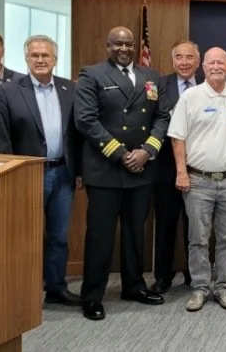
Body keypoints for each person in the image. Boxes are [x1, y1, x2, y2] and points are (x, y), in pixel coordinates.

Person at [74, 26, 172, 321]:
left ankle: (134, 286)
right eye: (117, 43)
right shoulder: (91, 74)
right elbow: (86, 120)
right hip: (105, 169)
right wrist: (121, 154)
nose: (124, 48)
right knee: (101, 236)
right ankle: (92, 295)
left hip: (141, 169)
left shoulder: (152, 77)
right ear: (108, 45)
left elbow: (162, 117)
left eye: (128, 43)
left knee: (135, 234)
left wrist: (147, 151)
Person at [0, 34, 82, 307]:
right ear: (26, 59)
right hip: (27, 176)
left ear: (55, 59)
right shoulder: (7, 91)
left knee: (58, 237)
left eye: (46, 55)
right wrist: (10, 177)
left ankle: (56, 288)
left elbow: (77, 136)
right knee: (24, 236)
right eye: (35, 55)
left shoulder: (70, 89)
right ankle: (22, 291)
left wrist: (79, 171)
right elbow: (1, 140)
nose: (40, 60)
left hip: (63, 174)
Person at [169, 47, 226, 312]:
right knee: (198, 239)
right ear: (203, 67)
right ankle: (200, 288)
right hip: (197, 181)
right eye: (211, 62)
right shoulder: (190, 97)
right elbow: (177, 136)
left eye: (221, 62)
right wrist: (181, 171)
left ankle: (223, 288)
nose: (216, 66)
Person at [151, 40, 203, 294]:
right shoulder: (159, 86)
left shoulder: (208, 86)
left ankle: (195, 275)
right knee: (165, 223)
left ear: (198, 61)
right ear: (173, 61)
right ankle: (162, 275)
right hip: (165, 168)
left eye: (189, 57)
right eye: (179, 57)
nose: (184, 62)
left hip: (200, 166)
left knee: (197, 225)